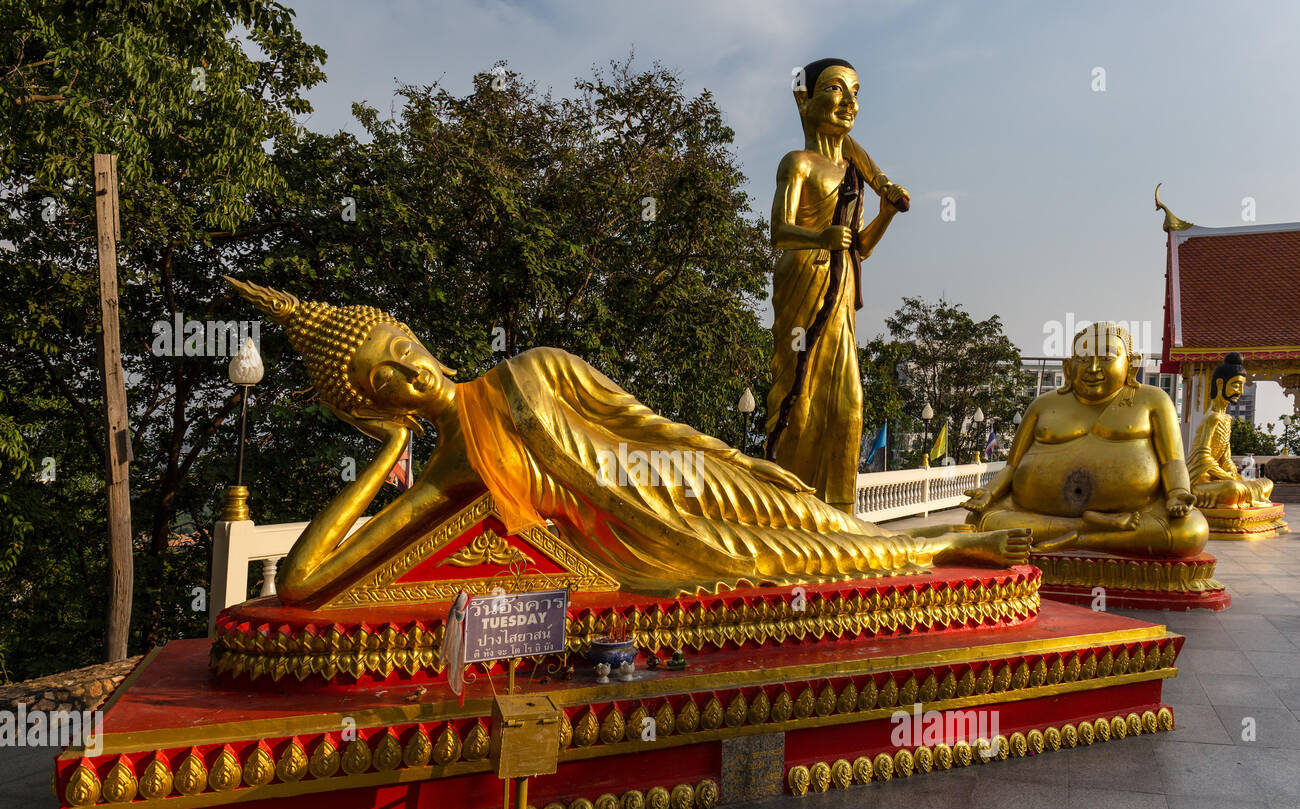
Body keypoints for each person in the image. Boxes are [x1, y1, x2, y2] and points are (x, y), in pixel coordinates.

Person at [225, 279, 1029, 604]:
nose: (411, 376)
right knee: (802, 560)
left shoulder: (535, 369)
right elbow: (299, 585)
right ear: (379, 406)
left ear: (416, 337)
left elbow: (642, 421)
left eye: (402, 353)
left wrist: (735, 457)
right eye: (385, 384)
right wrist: (379, 456)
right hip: (655, 548)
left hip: (689, 477)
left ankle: (943, 542)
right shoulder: (449, 468)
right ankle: (949, 548)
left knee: (824, 520)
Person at [765, 58, 909, 513]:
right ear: (803, 99)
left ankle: (838, 514)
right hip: (804, 280)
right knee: (798, 396)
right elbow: (778, 231)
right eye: (835, 89)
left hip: (841, 293)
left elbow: (859, 246)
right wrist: (820, 237)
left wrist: (885, 211)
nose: (849, 102)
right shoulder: (798, 164)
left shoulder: (853, 174)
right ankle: (789, 509)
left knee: (848, 404)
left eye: (855, 92)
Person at [964, 322, 1208, 556]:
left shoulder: (1153, 400)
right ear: (1069, 367)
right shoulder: (1044, 404)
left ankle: (1073, 538)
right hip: (1033, 509)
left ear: (1132, 364)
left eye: (1106, 358)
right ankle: (1090, 529)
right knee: (979, 522)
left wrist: (1177, 493)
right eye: (1083, 359)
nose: (1092, 368)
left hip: (1136, 511)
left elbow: (1172, 461)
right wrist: (989, 493)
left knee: (1190, 530)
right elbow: (1012, 465)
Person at [1187, 352, 1275, 507]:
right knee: (1233, 489)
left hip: (1219, 480)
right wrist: (1228, 478)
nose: (1240, 392)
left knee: (1267, 483)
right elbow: (1203, 458)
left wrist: (1233, 472)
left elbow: (1225, 458)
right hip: (1201, 481)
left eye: (1242, 386)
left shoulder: (1226, 418)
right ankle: (1246, 497)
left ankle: (1246, 497)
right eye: (1235, 385)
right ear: (1220, 384)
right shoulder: (1211, 417)